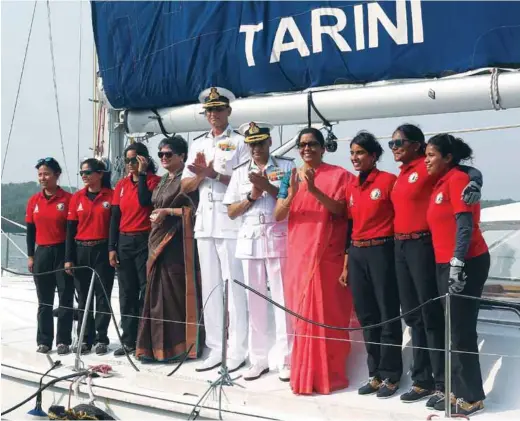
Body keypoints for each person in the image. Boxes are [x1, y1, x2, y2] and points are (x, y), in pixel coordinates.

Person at [389, 124, 483, 406]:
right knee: (414, 315)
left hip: (428, 249)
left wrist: (477, 181)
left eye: (399, 142)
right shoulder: (408, 175)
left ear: (417, 145)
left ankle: (448, 385)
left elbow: (468, 173)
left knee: (439, 320)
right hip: (405, 247)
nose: (394, 147)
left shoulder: (438, 171)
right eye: (391, 143)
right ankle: (423, 380)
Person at [274, 127, 353, 395]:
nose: (306, 149)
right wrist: (296, 190)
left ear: (323, 147)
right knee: (301, 314)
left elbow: (343, 210)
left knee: (328, 311)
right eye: (302, 145)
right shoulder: (290, 176)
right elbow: (278, 214)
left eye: (312, 144)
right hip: (300, 255)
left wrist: (315, 190)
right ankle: (304, 374)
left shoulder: (340, 175)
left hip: (326, 256)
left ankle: (329, 375)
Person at [181, 87, 250, 373]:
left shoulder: (240, 142)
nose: (213, 114)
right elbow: (184, 186)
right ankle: (215, 346)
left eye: (218, 109)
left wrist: (214, 175)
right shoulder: (197, 144)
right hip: (204, 222)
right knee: (209, 287)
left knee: (234, 287)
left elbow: (245, 181)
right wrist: (199, 176)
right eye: (209, 110)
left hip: (230, 221)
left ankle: (238, 348)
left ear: (228, 111)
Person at [224, 122, 294, 382]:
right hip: (250, 239)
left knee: (283, 300)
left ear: (269, 143)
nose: (256, 148)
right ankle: (258, 359)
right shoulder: (241, 172)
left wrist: (268, 187)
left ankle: (287, 359)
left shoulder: (286, 167)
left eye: (260, 143)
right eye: (251, 144)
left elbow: (291, 201)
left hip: (278, 237)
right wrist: (252, 196)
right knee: (255, 302)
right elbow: (231, 212)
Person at [425, 133, 489, 416]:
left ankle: (472, 396)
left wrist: (457, 264)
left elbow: (465, 226)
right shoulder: (442, 179)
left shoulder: (458, 179)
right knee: (454, 330)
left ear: (447, 157)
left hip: (465, 261)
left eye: (430, 155)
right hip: (444, 261)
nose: (425, 160)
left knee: (461, 331)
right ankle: (457, 390)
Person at [340, 131, 403, 399]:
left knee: (387, 312)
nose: (355, 157)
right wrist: (345, 265)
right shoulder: (351, 187)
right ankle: (374, 373)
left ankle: (392, 374)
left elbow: (402, 218)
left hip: (382, 250)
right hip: (357, 253)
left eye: (360, 153)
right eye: (352, 153)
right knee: (366, 316)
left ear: (374, 156)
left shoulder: (389, 181)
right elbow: (350, 226)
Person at [135, 136, 204, 362]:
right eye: (161, 154)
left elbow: (194, 212)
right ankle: (154, 348)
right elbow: (150, 202)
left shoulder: (188, 180)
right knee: (155, 295)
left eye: (168, 154)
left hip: (176, 244)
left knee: (174, 294)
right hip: (157, 239)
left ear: (182, 156)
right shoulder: (165, 179)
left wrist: (168, 213)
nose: (163, 158)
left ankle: (179, 347)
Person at [109, 143, 161, 356]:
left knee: (145, 289)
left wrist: (141, 174)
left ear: (144, 160)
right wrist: (111, 247)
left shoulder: (153, 182)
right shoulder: (121, 185)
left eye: (134, 160)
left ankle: (143, 337)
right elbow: (115, 217)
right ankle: (128, 338)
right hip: (124, 241)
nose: (130, 164)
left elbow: (144, 200)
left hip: (144, 240)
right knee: (126, 292)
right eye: (127, 160)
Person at [65, 158, 115, 355]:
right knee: (84, 297)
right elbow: (70, 230)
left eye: (88, 172)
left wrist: (113, 250)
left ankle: (102, 338)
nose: (84, 176)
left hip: (102, 249)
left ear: (100, 173)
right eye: (82, 173)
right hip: (81, 249)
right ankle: (85, 338)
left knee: (103, 296)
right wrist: (68, 258)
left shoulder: (111, 196)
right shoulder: (76, 198)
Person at [25, 157, 74, 355]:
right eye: (40, 175)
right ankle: (44, 340)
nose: (43, 178)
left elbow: (72, 232)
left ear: (56, 175)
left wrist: (70, 258)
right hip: (42, 252)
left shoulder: (68, 199)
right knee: (44, 300)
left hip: (62, 251)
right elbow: (30, 231)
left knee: (65, 298)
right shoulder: (34, 201)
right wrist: (30, 256)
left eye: (46, 174)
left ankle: (63, 341)